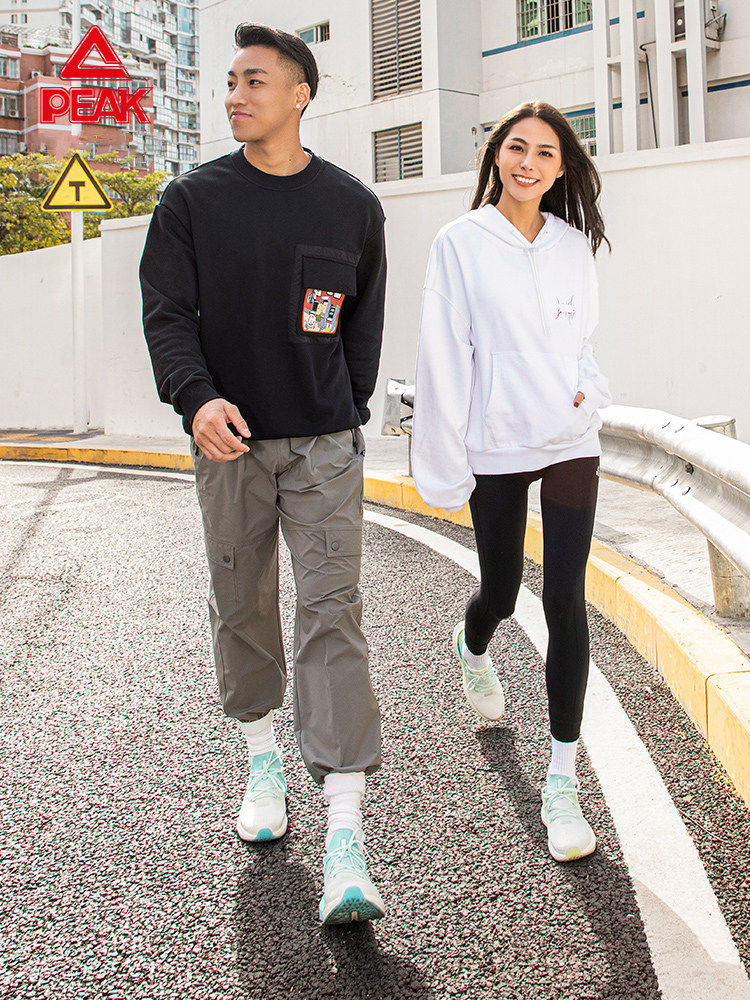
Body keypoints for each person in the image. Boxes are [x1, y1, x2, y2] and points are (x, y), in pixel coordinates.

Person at [139, 23, 387, 923]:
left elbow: (361, 327)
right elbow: (167, 315)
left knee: (332, 611)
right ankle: (262, 760)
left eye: (254, 80)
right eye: (231, 82)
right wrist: (197, 399)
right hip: (229, 444)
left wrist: (344, 413)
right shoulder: (192, 201)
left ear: (299, 93)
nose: (235, 96)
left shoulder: (351, 206)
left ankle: (346, 830)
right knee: (240, 605)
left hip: (323, 446)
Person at [411, 101, 612, 862]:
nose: (530, 163)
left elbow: (582, 341)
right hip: (495, 442)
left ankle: (562, 779)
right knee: (501, 591)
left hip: (569, 438)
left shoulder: (572, 245)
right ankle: (472, 645)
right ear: (497, 154)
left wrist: (588, 393)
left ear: (562, 168)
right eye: (517, 148)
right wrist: (443, 462)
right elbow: (442, 353)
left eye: (546, 153)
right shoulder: (460, 243)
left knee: (564, 597)